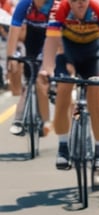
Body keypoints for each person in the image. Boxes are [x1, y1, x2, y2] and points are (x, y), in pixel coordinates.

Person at [41, 0, 99, 185]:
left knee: (96, 99)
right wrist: (48, 69)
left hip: (93, 56)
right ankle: (63, 146)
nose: (80, 3)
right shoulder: (60, 8)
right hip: (68, 54)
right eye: (75, 0)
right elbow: (51, 41)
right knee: (63, 89)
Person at [5, 0, 55, 137]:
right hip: (33, 38)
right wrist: (11, 58)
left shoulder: (56, 5)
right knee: (29, 82)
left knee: (44, 76)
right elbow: (14, 29)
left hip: (52, 37)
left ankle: (46, 118)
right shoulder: (25, 4)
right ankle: (18, 120)